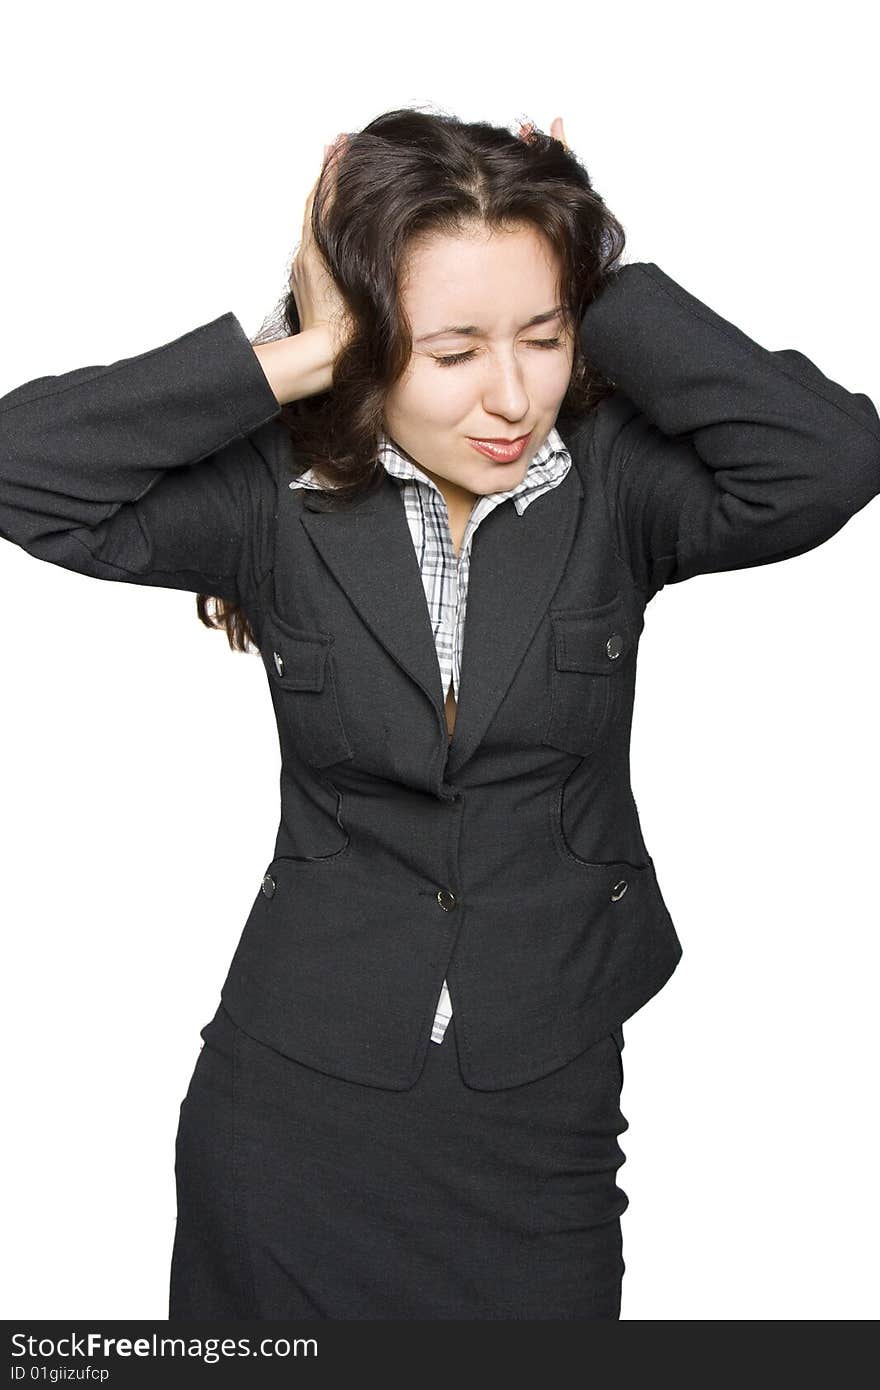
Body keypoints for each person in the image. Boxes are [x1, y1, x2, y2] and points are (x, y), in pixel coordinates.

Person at [1, 108, 877, 1321]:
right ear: (367, 336)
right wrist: (306, 353)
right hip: (295, 1113)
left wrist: (582, 262)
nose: (510, 395)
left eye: (544, 337)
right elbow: (21, 467)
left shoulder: (613, 485)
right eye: (451, 350)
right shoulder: (275, 497)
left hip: (538, 1111)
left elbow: (830, 458)